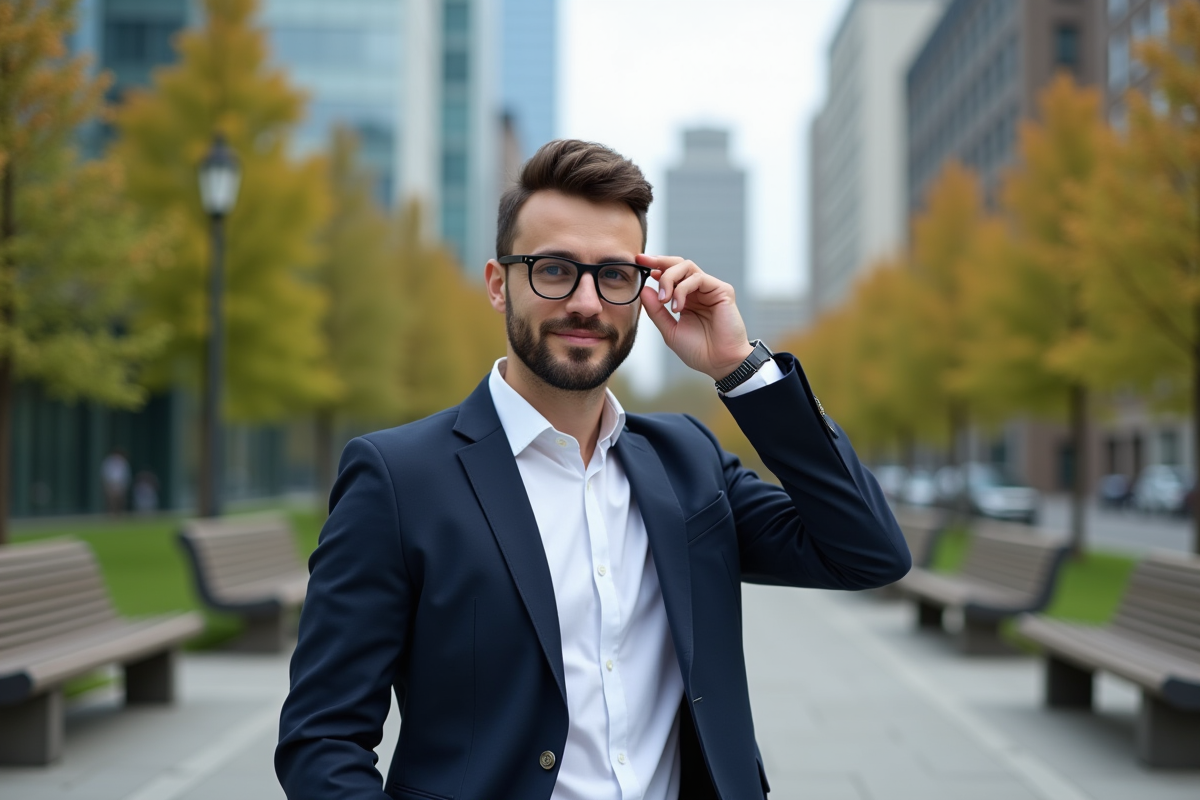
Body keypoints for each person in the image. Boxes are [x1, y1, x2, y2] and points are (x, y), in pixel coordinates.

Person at [276, 140, 910, 800]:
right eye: (554, 270)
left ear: (643, 290)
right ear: (500, 284)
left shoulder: (686, 461)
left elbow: (867, 552)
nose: (585, 302)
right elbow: (323, 739)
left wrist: (740, 369)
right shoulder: (399, 479)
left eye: (613, 274)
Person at [101, 449, 131, 515]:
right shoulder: (108, 462)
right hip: (111, 485)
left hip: (120, 485)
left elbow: (126, 475)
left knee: (120, 501)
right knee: (111, 501)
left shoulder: (123, 462)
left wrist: (123, 486)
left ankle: (119, 515)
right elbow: (105, 474)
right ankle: (111, 515)